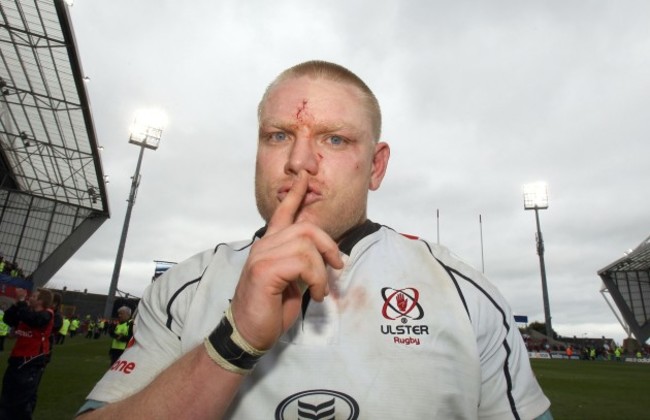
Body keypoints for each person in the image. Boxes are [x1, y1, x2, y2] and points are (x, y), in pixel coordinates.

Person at [77, 60, 552, 419]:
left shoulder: (464, 295)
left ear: (377, 166)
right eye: (279, 136)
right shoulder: (184, 288)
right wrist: (232, 343)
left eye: (335, 140)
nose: (300, 162)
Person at [0, 287, 54, 419]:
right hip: (17, 358)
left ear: (41, 301)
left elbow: (33, 320)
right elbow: (8, 319)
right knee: (7, 395)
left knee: (20, 401)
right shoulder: (26, 311)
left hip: (31, 361)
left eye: (34, 297)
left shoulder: (47, 314)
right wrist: (17, 303)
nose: (31, 298)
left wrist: (23, 302)